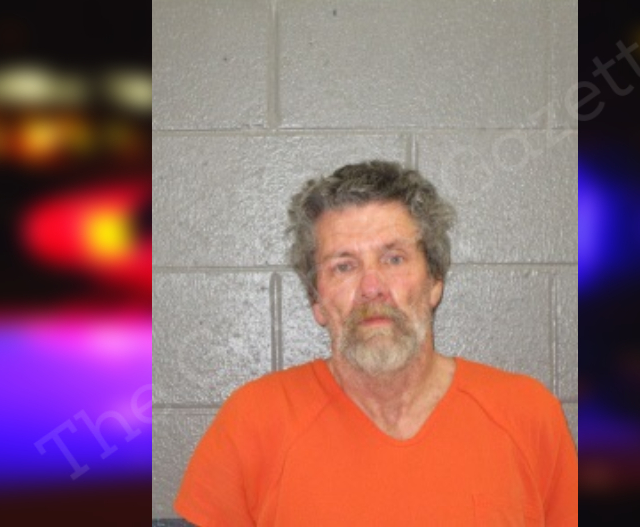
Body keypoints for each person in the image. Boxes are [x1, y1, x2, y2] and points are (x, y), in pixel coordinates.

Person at [174, 160, 578, 526]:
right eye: (344, 266)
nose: (372, 287)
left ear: (434, 281)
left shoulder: (528, 415)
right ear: (317, 301)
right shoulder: (252, 423)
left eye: (394, 258)